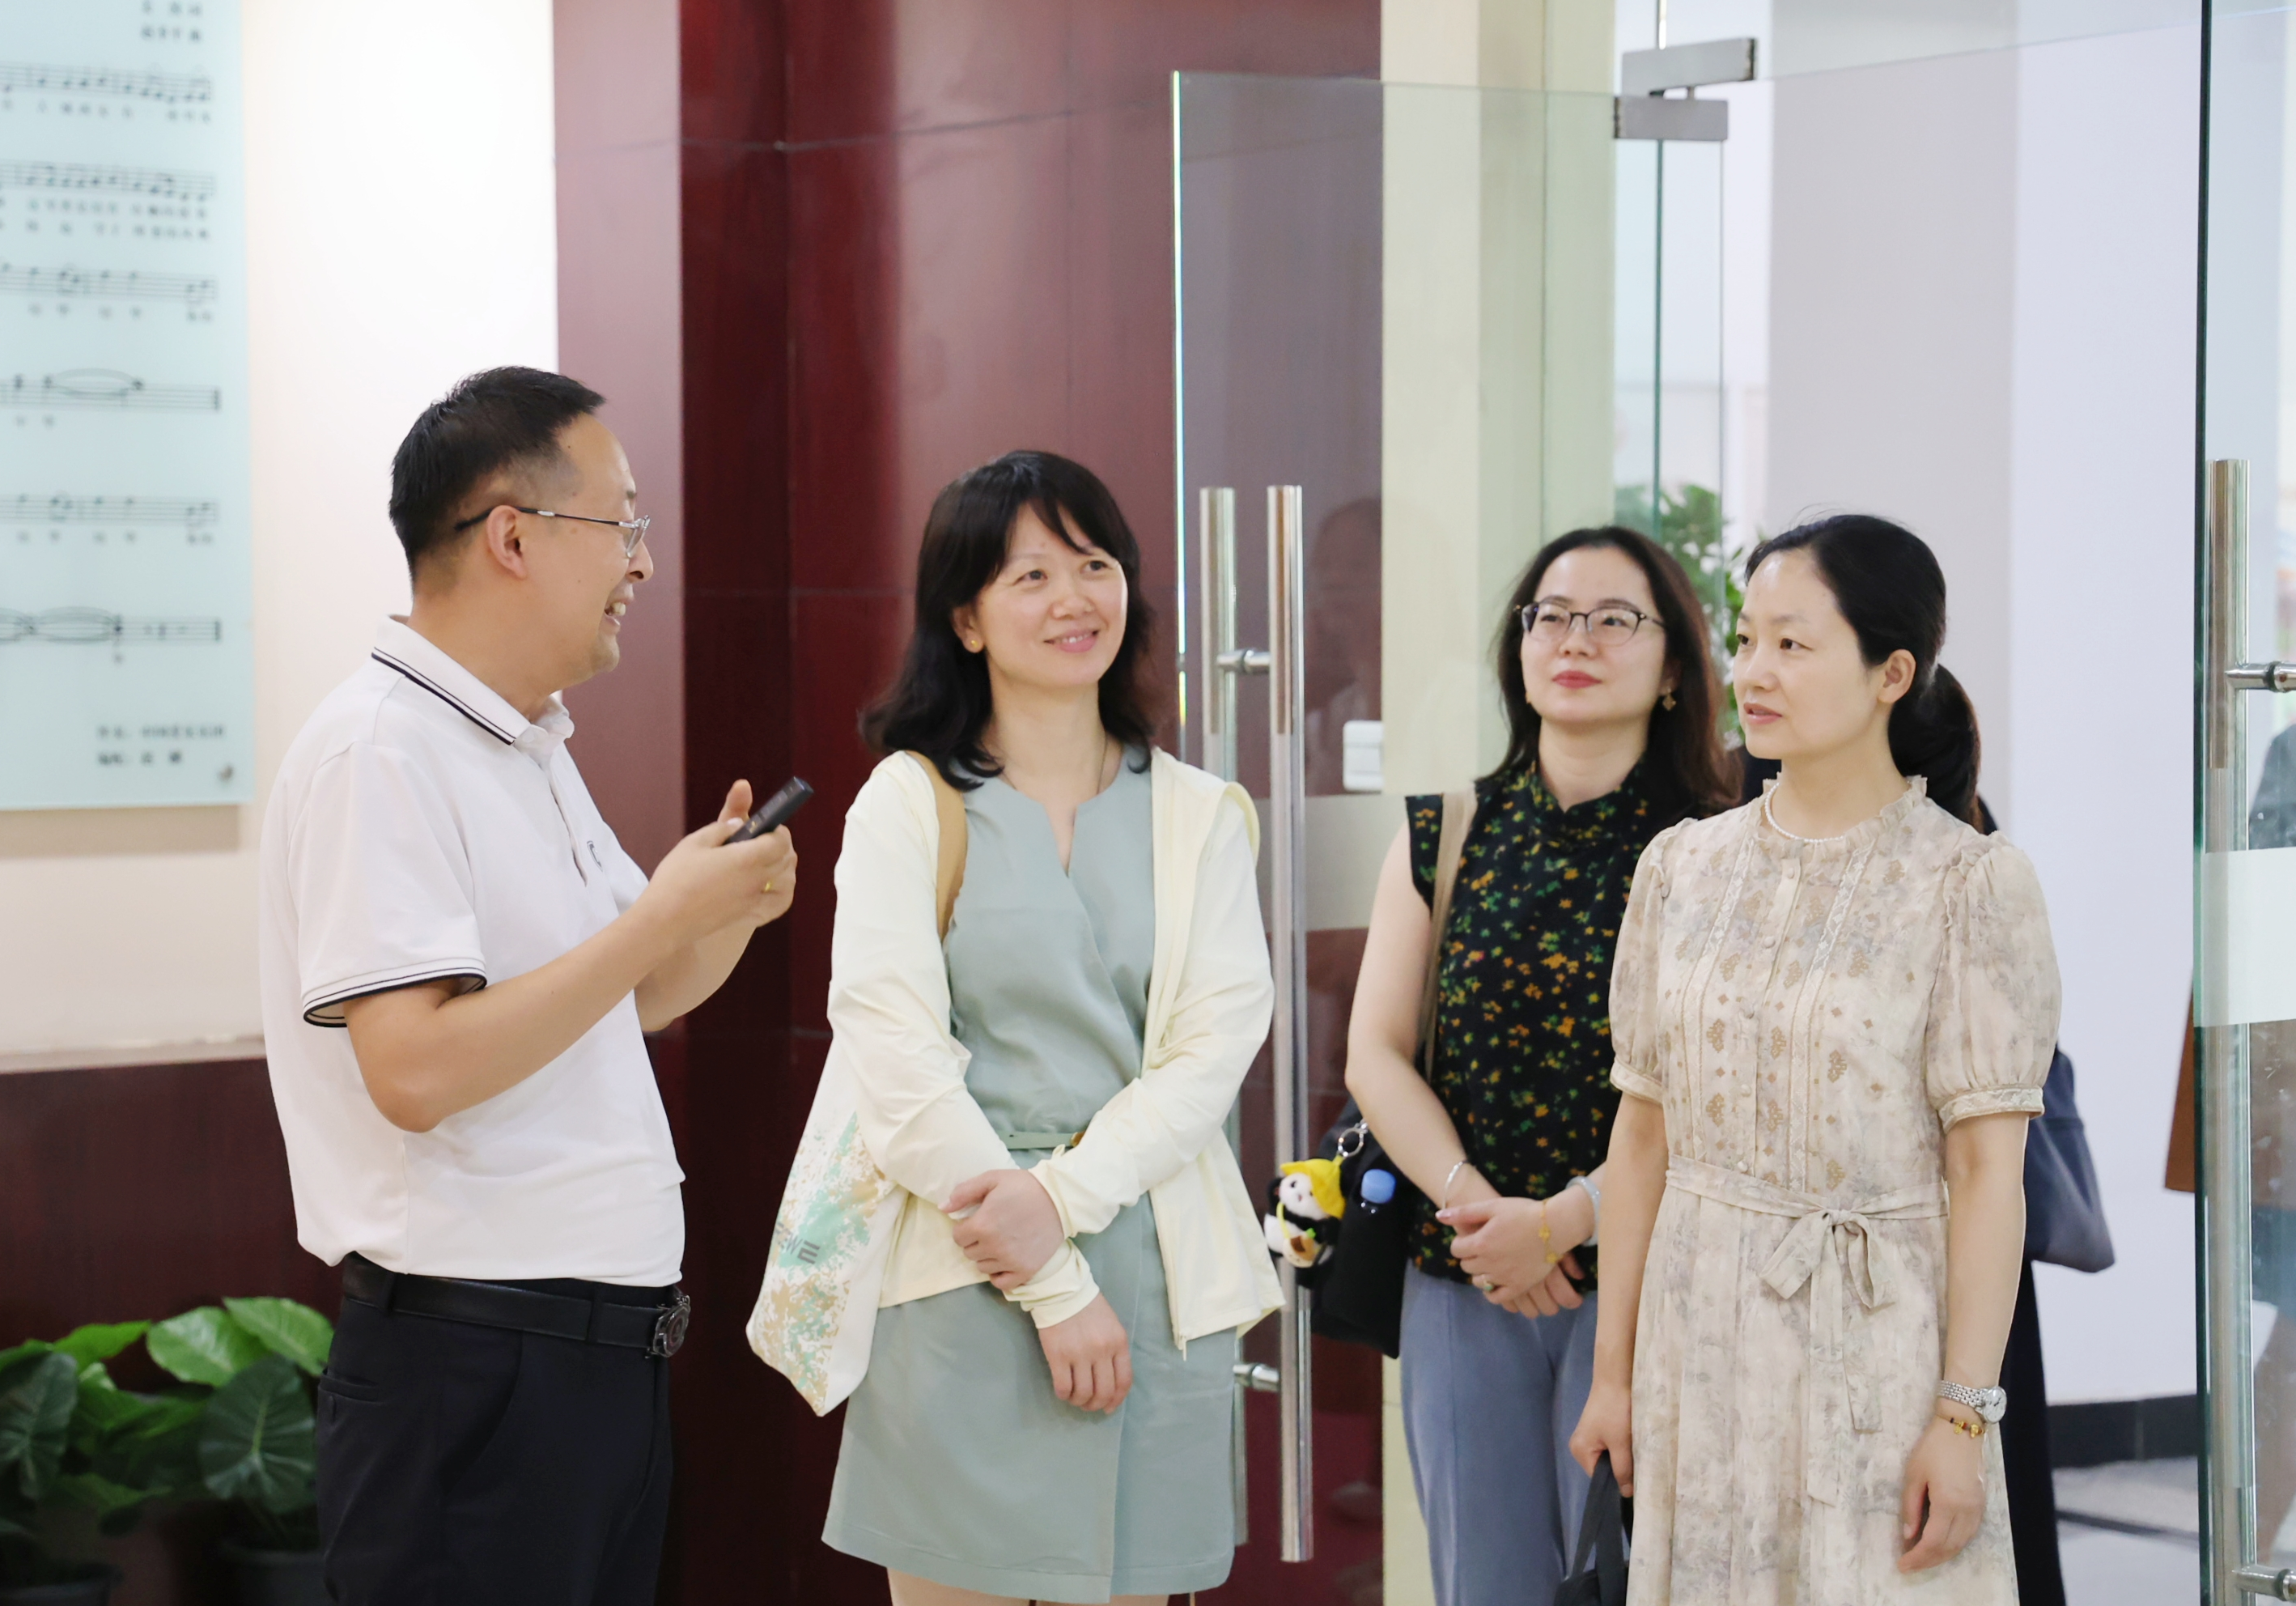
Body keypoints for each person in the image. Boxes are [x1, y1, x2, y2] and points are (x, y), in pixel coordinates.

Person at [257, 367, 797, 1605]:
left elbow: (627, 998)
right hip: (474, 1366)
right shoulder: (381, 748)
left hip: (589, 1367)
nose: (642, 563)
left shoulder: (522, 741)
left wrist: (718, 915)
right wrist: (657, 918)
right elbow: (416, 1070)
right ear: (512, 534)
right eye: (623, 522)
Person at [1571, 513, 2062, 1601]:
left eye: (1793, 644)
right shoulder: (1680, 868)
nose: (1754, 672)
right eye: (1747, 640)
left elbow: (1989, 1175)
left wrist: (1963, 1420)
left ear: (1893, 673)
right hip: (1698, 1342)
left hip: (1880, 1352)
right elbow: (1642, 1140)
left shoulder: (1969, 882)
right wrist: (1613, 1379)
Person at [817, 450, 1279, 1605]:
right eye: (1031, 576)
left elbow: (1210, 1057)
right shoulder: (909, 802)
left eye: (1094, 564)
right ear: (965, 618)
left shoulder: (1201, 814)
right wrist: (1049, 1276)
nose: (1074, 598)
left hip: (1155, 1262)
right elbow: (897, 1062)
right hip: (962, 1256)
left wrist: (1060, 1204)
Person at [1342, 526, 1738, 1604]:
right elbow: (1376, 1055)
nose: (1577, 640)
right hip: (1466, 1272)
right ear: (1519, 651)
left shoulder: (1720, 851)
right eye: (1552, 616)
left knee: (1638, 1581)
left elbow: (1721, 1095)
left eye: (1615, 620)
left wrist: (1565, 1220)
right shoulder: (1445, 832)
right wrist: (1483, 1216)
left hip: (1655, 1276)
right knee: (1483, 1583)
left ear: (1672, 667)